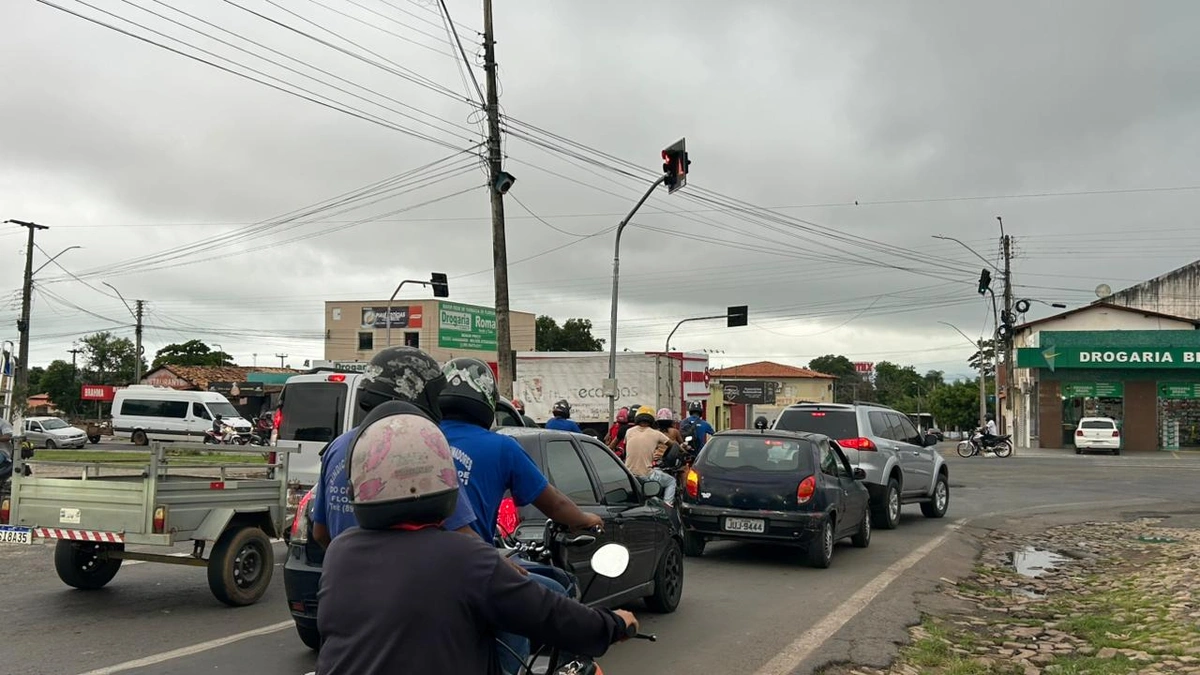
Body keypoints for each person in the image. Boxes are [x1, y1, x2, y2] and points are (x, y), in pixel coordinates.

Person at [316, 402, 637, 675]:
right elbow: (549, 614)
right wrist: (614, 624)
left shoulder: (340, 553)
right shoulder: (463, 557)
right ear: (442, 472)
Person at [439, 357, 606, 674]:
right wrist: (584, 519)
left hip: (417, 566)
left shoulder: (421, 440)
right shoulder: (501, 447)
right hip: (473, 567)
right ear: (487, 400)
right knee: (556, 591)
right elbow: (554, 504)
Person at [311, 346, 477, 548]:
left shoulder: (337, 447)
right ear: (412, 395)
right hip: (412, 577)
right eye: (434, 398)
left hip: (345, 575)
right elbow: (464, 537)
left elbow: (320, 532)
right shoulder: (420, 448)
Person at [624, 406, 680, 506]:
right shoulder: (656, 434)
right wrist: (685, 451)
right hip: (646, 475)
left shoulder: (629, 432)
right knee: (671, 481)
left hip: (629, 474)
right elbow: (674, 446)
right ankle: (667, 506)